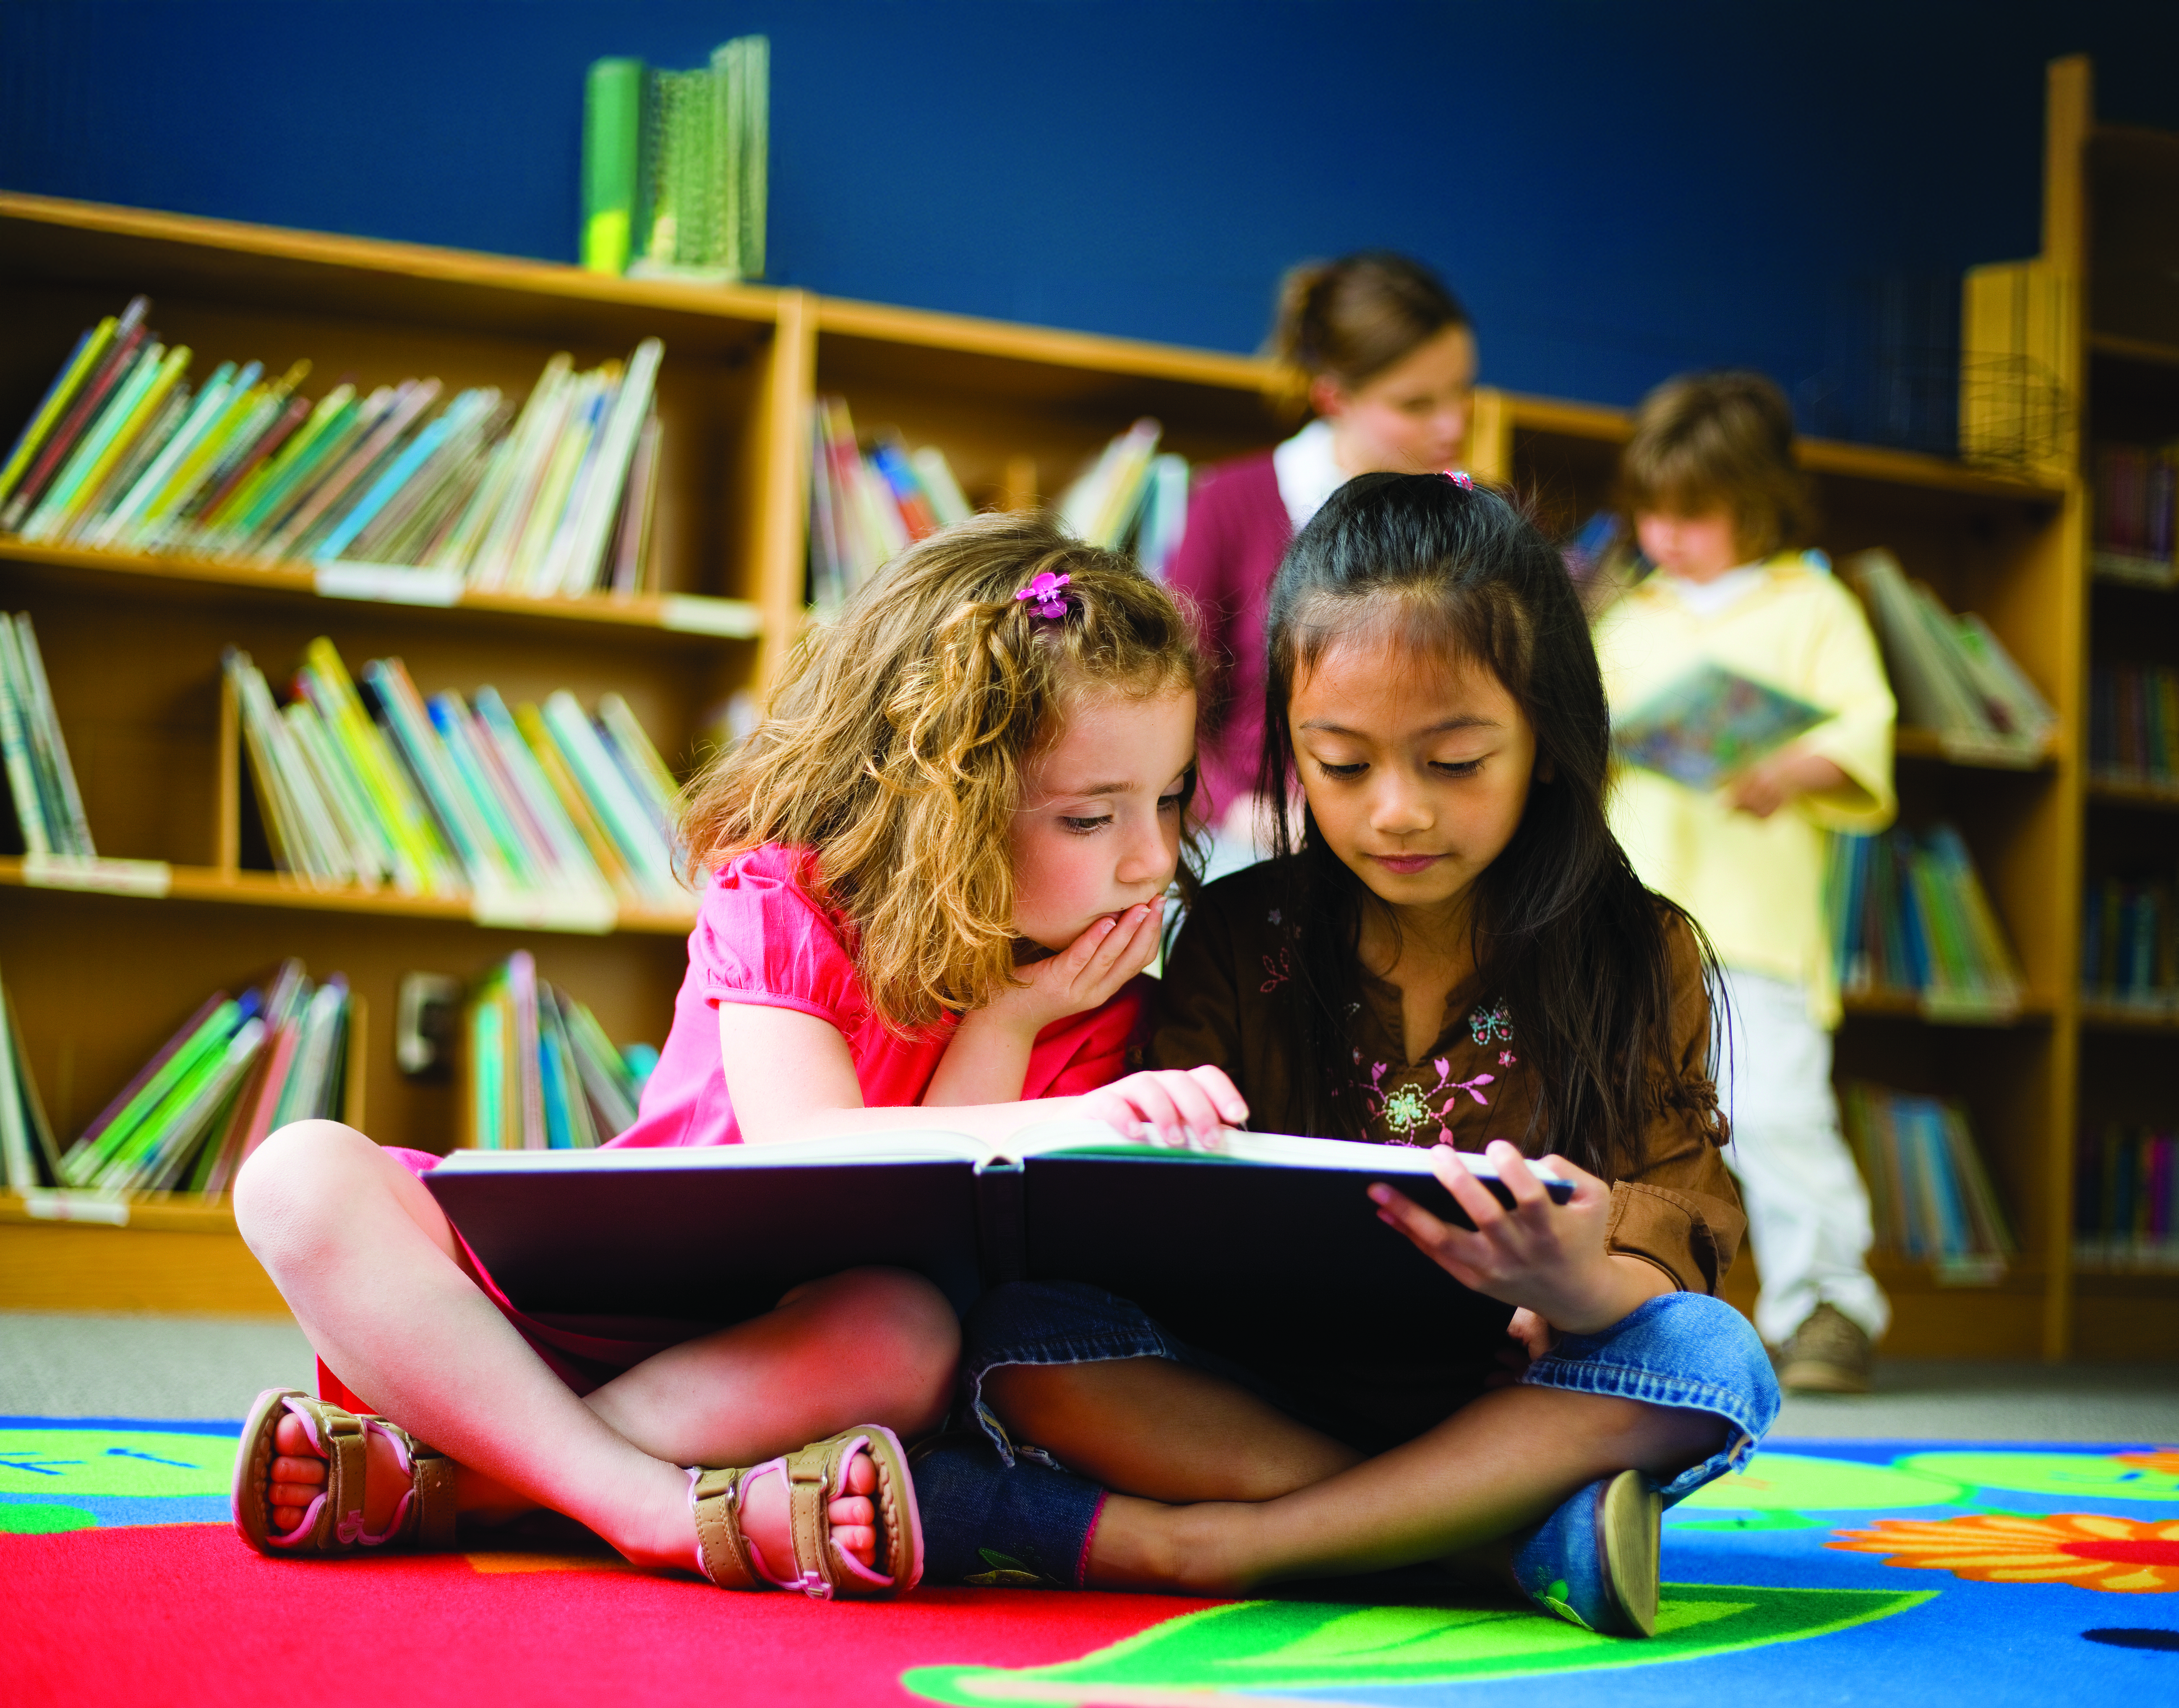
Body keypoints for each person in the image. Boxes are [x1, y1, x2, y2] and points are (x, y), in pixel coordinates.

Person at [230, 514, 1245, 1599]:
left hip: (766, 1364)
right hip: (551, 1312)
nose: (1150, 858)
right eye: (1091, 818)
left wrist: (1002, 1023)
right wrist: (1055, 1113)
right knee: (295, 1174)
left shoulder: (1088, 995)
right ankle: (653, 1511)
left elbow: (945, 1244)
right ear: (943, 803)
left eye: (1173, 798)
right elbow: (806, 1144)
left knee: (908, 1337)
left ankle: (472, 1482)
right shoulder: (784, 898)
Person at [911, 474, 1777, 1637]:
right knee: (1022, 1337)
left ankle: (1196, 1545)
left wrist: (1571, 1280)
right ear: (1291, 747)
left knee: (1713, 1360)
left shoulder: (1637, 949)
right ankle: (1489, 1541)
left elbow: (1688, 1232)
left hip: (1513, 1400)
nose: (1397, 813)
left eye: (1456, 761)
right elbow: (1131, 1222)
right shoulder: (1237, 930)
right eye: (1343, 763)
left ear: (1552, 744)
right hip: (1257, 1391)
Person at [1593, 370, 1897, 1393]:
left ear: (1757, 500)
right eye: (1652, 511)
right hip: (1632, 921)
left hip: (1756, 928)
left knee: (1775, 1117)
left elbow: (1864, 735)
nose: (1666, 533)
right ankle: (1635, 1305)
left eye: (1695, 513)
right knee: (1626, 1118)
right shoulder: (1625, 617)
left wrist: (1791, 768)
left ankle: (1824, 1307)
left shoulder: (1814, 606)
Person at [1167, 252, 1476, 870]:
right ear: (1334, 397)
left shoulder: (1471, 516)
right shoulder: (1232, 502)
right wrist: (1233, 809)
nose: (1452, 424)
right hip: (1255, 852)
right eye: (1416, 404)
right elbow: (1165, 697)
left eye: (1463, 391)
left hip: (1415, 848)